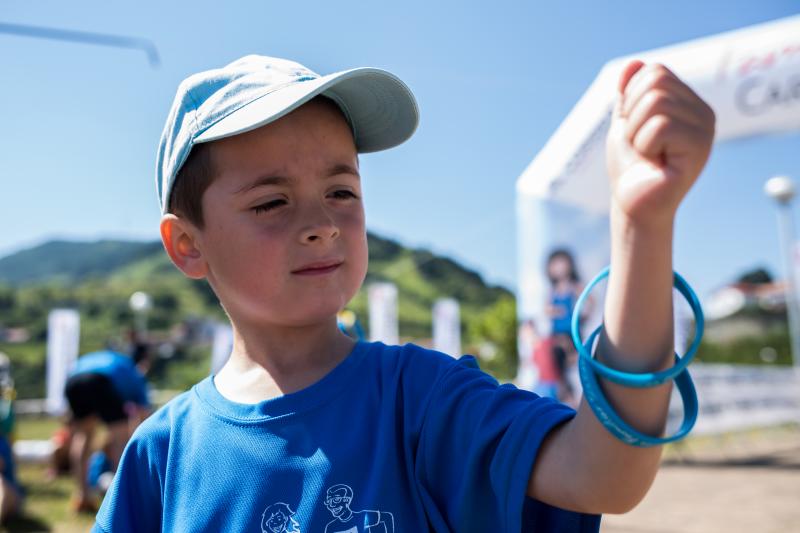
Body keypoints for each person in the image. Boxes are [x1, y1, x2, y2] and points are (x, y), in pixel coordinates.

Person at [94, 55, 714, 531]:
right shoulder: (160, 457)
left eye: (342, 191)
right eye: (271, 201)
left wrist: (641, 226)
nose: (323, 223)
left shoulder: (420, 399)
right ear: (187, 246)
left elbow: (603, 473)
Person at [64, 344, 151, 512]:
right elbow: (145, 418)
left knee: (83, 436)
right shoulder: (134, 372)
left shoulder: (114, 359)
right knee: (121, 439)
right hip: (100, 381)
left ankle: (82, 495)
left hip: (72, 381)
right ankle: (122, 497)